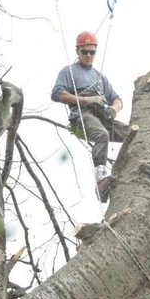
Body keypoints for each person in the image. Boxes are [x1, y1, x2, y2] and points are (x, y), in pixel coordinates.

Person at [51, 31, 128, 201]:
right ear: (77, 51)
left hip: (102, 116)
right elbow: (57, 94)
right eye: (84, 52)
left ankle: (125, 171)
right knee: (102, 135)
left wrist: (114, 108)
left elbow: (117, 99)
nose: (88, 55)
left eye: (91, 52)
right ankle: (101, 179)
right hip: (82, 115)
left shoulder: (100, 77)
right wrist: (86, 99)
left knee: (132, 134)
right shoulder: (69, 71)